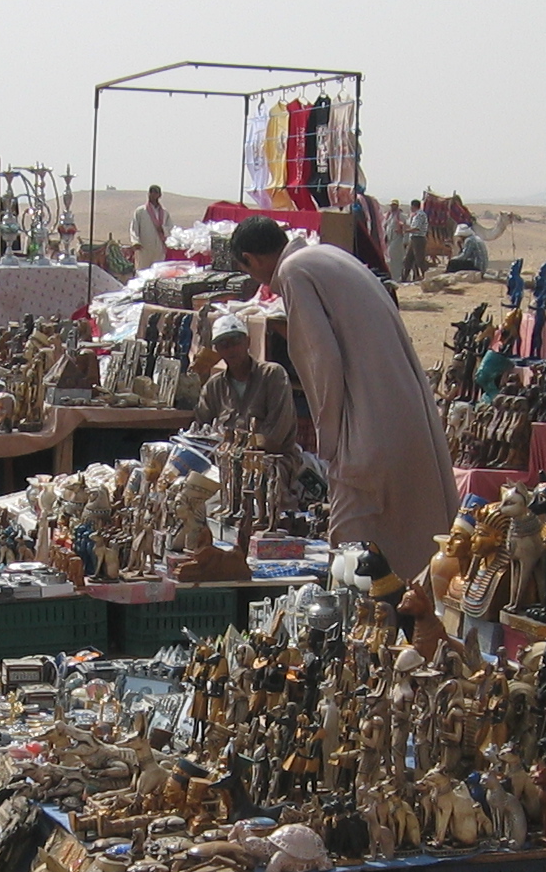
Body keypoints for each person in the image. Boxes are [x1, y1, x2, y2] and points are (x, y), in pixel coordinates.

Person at [227, 215, 455, 584]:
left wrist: (330, 444)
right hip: (398, 410)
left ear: (251, 259)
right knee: (406, 531)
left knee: (354, 543)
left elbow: (322, 359)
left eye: (250, 271)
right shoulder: (328, 255)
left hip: (368, 423)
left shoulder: (294, 271)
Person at [195, 309, 296, 452]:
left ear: (248, 342)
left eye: (236, 341)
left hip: (270, 458)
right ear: (217, 350)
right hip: (223, 457)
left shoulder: (272, 375)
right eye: (223, 344)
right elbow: (201, 432)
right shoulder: (213, 387)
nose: (231, 349)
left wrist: (238, 446)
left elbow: (274, 437)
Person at [130, 184, 172, 269]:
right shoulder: (140, 211)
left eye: (155, 192)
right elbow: (134, 227)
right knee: (143, 270)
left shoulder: (164, 213)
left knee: (158, 271)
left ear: (159, 195)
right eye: (151, 192)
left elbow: (171, 228)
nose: (153, 194)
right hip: (144, 248)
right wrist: (135, 241)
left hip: (159, 248)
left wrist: (163, 229)